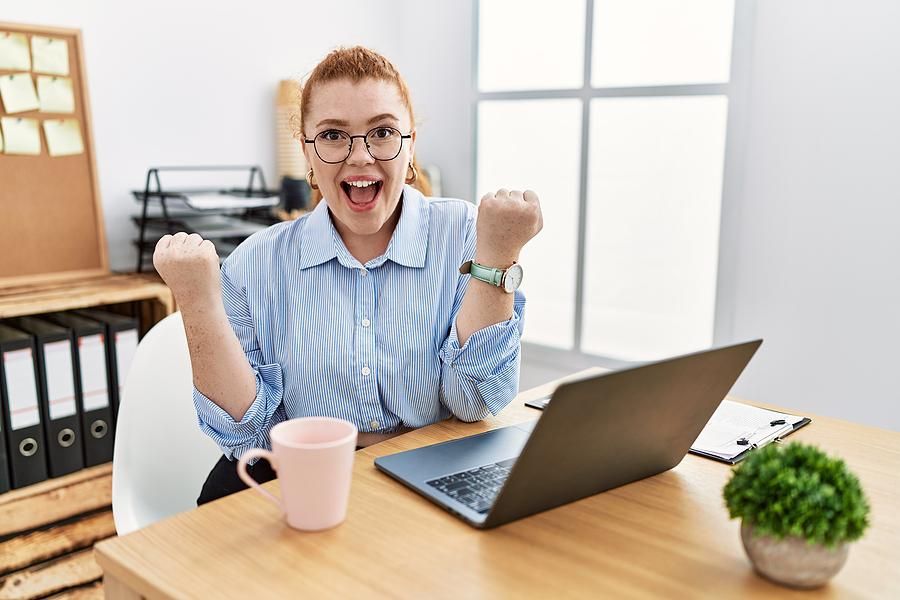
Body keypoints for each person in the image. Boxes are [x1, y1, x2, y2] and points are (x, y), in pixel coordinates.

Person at [152, 46, 543, 504]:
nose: (360, 156)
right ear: (306, 151)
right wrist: (197, 302)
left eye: (382, 132)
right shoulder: (255, 263)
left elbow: (477, 400)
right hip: (305, 483)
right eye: (334, 135)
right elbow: (247, 437)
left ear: (410, 144)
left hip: (424, 483)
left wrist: (497, 256)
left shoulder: (465, 235)